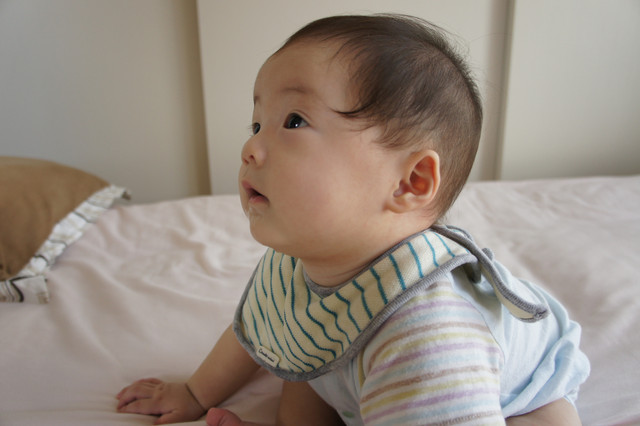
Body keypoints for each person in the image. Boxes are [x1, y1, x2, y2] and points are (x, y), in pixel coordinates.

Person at [116, 14, 590, 425]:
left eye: (294, 121)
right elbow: (262, 330)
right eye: (257, 124)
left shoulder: (430, 339)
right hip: (357, 359)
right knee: (302, 370)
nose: (250, 147)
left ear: (409, 182)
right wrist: (195, 393)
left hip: (522, 391)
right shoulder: (301, 257)